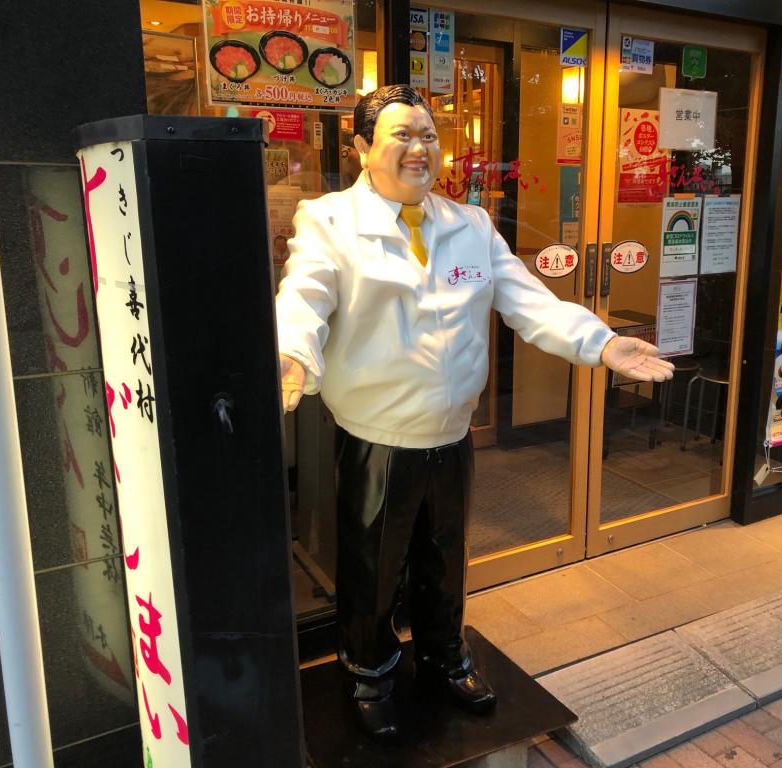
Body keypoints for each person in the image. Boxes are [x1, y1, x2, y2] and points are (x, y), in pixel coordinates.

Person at [275, 85, 674, 738]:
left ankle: (442, 655)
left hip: (452, 434)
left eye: (428, 135)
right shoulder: (329, 223)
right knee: (372, 568)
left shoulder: (471, 227)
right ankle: (370, 671)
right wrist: (293, 350)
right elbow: (304, 294)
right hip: (378, 438)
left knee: (444, 555)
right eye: (402, 134)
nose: (419, 148)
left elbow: (529, 302)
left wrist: (601, 343)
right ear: (359, 150)